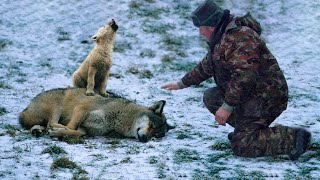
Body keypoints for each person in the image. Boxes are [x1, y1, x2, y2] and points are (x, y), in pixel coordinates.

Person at [161, 0, 311, 160]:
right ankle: (247, 131)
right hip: (250, 95)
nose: (200, 33)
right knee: (211, 97)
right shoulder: (221, 38)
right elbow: (207, 66)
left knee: (242, 146)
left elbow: (244, 76)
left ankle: (294, 138)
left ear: (211, 26)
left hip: (266, 97)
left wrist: (227, 107)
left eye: (202, 29)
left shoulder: (241, 39)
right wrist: (181, 83)